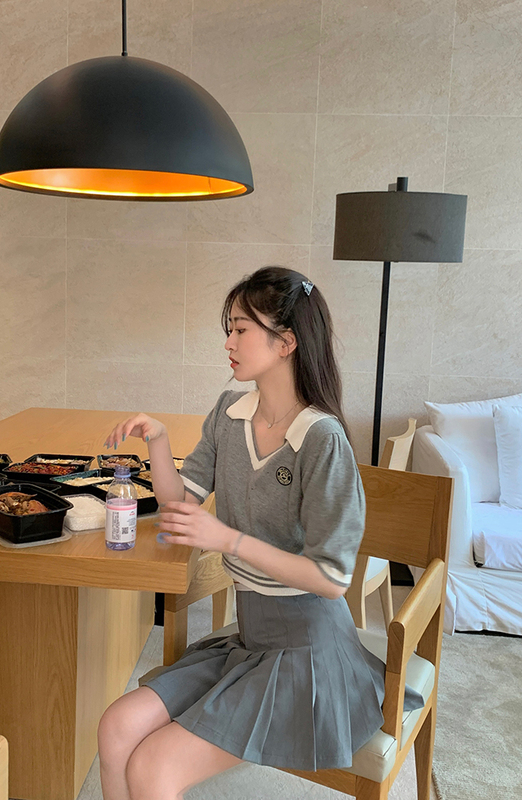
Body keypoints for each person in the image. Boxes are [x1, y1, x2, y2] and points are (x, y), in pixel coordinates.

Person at [98, 266, 423, 800]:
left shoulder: (322, 440)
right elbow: (181, 504)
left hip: (309, 655)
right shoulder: (229, 413)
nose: (228, 342)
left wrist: (226, 540)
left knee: (154, 768)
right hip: (251, 639)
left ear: (286, 342)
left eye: (241, 329)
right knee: (116, 728)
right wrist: (158, 440)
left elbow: (332, 578)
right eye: (229, 328)